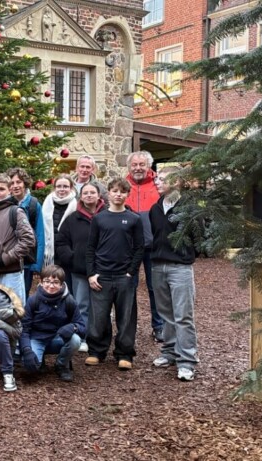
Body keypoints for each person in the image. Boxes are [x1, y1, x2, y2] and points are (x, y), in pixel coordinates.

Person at [85, 178, 144, 371]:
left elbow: (139, 248)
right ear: (108, 193)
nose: (118, 194)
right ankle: (96, 350)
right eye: (115, 191)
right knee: (99, 316)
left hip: (123, 276)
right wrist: (91, 273)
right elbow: (91, 247)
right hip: (101, 275)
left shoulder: (134, 219)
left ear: (127, 195)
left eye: (122, 192)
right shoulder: (99, 219)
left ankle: (124, 353)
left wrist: (131, 272)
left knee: (126, 316)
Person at [149, 166, 199, 381]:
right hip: (158, 267)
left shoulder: (190, 208)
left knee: (183, 315)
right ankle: (169, 352)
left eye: (161, 179)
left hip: (180, 268)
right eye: (156, 179)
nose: (156, 182)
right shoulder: (155, 208)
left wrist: (186, 255)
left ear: (177, 181)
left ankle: (186, 361)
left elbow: (199, 238)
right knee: (165, 313)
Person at [55, 182, 105, 353]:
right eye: (85, 193)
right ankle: (83, 336)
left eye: (93, 192)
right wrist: (72, 257)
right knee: (81, 304)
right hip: (80, 270)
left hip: (104, 269)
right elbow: (61, 241)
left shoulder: (107, 215)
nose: (89, 195)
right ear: (81, 196)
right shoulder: (73, 218)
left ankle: (99, 338)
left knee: (101, 305)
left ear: (99, 195)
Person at [125, 151, 165, 342]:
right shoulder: (123, 186)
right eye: (134, 165)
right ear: (129, 167)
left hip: (153, 245)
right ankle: (127, 327)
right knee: (128, 287)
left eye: (142, 164)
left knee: (154, 287)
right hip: (129, 248)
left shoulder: (159, 185)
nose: (138, 168)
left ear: (148, 166)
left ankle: (159, 326)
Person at [20, 265, 84, 382]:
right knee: (29, 367)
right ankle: (40, 359)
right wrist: (27, 350)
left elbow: (82, 327)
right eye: (47, 281)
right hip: (37, 338)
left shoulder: (69, 300)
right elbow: (24, 329)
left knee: (75, 340)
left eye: (55, 282)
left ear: (61, 284)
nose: (51, 285)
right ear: (41, 282)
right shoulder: (33, 300)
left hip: (58, 338)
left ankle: (61, 365)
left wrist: (73, 327)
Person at [0, 173, 36, 304]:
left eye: (1, 189)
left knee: (14, 311)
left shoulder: (16, 212)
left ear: (9, 190)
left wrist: (6, 258)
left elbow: (28, 240)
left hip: (10, 273)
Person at [7, 167, 45, 295]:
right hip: (9, 260)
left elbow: (39, 236)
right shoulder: (5, 204)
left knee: (24, 296)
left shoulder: (33, 205)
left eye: (19, 182)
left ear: (25, 184)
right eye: (12, 183)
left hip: (27, 261)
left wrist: (37, 264)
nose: (15, 186)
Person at [41, 174, 77, 270]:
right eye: (59, 186)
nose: (62, 189)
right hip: (50, 252)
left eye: (65, 186)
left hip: (68, 254)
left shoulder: (76, 206)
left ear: (71, 188)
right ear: (54, 188)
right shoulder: (46, 204)